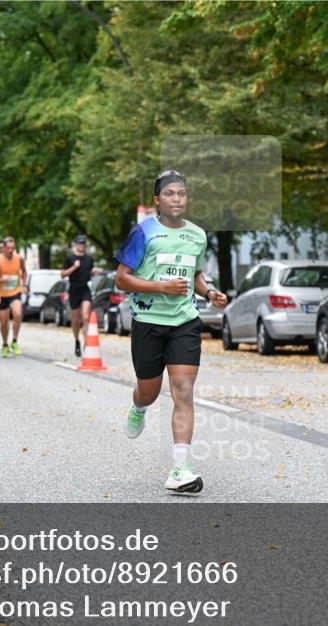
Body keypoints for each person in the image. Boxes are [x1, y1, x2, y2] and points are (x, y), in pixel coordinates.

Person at [114, 170, 227, 493]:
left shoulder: (197, 235)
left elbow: (196, 273)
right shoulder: (144, 232)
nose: (177, 199)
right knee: (149, 391)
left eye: (182, 193)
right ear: (157, 200)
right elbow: (121, 279)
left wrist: (209, 293)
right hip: (149, 322)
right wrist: (161, 287)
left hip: (184, 322)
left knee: (182, 391)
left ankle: (181, 469)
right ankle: (139, 408)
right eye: (170, 194)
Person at [61, 234, 101, 357]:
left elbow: (89, 271)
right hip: (74, 290)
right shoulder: (70, 258)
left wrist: (94, 272)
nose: (81, 245)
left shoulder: (89, 259)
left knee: (85, 316)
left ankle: (87, 343)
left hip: (85, 290)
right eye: (79, 243)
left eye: (83, 243)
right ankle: (77, 340)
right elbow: (63, 274)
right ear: (75, 245)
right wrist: (74, 267)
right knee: (75, 320)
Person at [0, 236, 27, 357]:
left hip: (15, 291)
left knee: (18, 313)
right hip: (2, 294)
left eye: (13, 248)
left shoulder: (19, 258)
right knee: (3, 322)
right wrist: (2, 279)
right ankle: (4, 344)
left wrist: (25, 284)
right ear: (3, 248)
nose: (10, 250)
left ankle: (14, 341)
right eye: (8, 248)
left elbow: (24, 271)